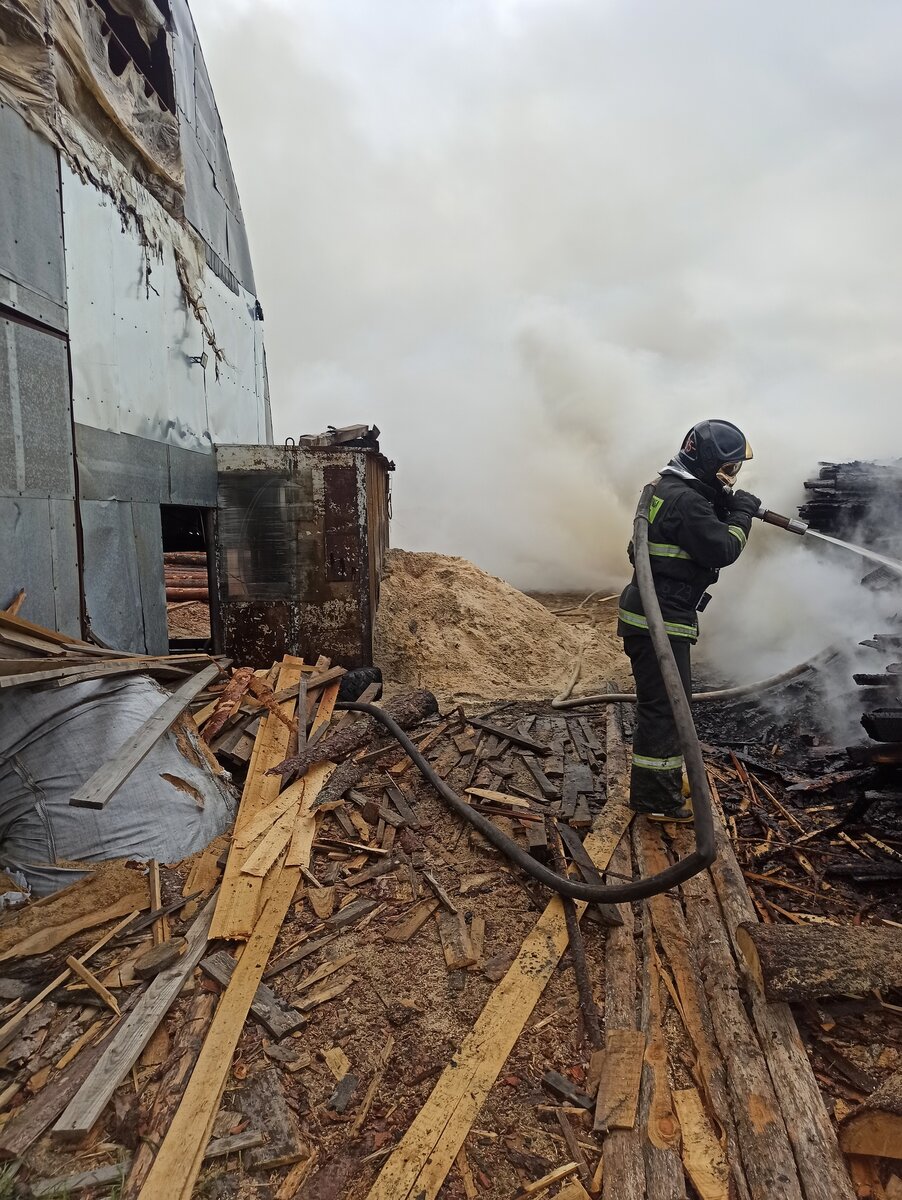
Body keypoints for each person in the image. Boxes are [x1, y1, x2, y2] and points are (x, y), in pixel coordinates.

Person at [617, 419, 760, 820]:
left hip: (653, 614)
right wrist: (741, 515)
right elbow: (722, 549)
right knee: (665, 708)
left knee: (667, 704)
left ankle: (662, 780)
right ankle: (656, 800)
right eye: (728, 468)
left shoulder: (666, 488)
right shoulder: (688, 502)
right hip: (659, 620)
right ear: (708, 462)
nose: (731, 476)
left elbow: (654, 542)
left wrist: (718, 505)